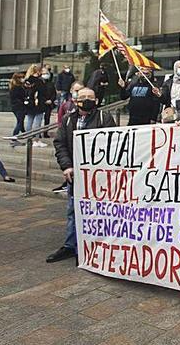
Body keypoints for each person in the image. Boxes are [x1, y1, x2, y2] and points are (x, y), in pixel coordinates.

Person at [47, 87, 116, 263]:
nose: (86, 100)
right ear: (76, 100)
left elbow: (113, 143)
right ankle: (71, 246)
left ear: (97, 100)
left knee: (98, 211)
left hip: (97, 176)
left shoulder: (104, 118)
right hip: (75, 175)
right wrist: (67, 166)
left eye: (90, 97)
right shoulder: (68, 119)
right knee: (72, 210)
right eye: (83, 97)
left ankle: (94, 245)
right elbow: (60, 144)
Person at [22, 65, 47, 148]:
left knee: (29, 121)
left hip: (29, 104)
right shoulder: (39, 81)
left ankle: (29, 139)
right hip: (38, 104)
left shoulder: (27, 80)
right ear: (38, 71)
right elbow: (43, 92)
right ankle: (36, 140)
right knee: (37, 122)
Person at [8, 72, 26, 143]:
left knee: (20, 121)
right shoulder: (17, 87)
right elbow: (20, 97)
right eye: (21, 78)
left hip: (16, 107)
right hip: (19, 107)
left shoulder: (13, 86)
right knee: (20, 121)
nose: (22, 79)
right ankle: (14, 137)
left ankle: (23, 132)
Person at [40, 68, 58, 134]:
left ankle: (45, 132)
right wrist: (44, 100)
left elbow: (54, 93)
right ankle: (37, 134)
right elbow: (39, 93)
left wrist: (51, 100)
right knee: (38, 119)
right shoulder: (39, 83)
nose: (45, 75)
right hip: (41, 103)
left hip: (49, 104)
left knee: (47, 119)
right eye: (44, 73)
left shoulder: (51, 83)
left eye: (47, 73)